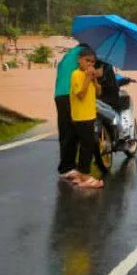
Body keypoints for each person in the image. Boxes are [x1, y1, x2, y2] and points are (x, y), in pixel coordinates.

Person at [66, 47, 108, 188]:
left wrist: (95, 80)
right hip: (81, 117)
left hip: (90, 115)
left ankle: (81, 173)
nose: (90, 64)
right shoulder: (76, 74)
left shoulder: (89, 75)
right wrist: (88, 77)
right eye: (87, 61)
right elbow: (80, 94)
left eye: (92, 62)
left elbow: (98, 93)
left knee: (87, 144)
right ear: (80, 60)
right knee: (87, 145)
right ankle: (85, 176)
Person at [54, 44, 87, 176]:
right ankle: (69, 167)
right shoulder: (86, 53)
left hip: (59, 94)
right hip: (71, 94)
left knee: (65, 131)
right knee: (74, 131)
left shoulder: (70, 53)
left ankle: (65, 166)